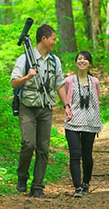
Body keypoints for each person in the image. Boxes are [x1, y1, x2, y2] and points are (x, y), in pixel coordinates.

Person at [11, 24, 71, 198]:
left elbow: (59, 84)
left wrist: (66, 105)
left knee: (43, 148)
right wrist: (27, 77)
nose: (55, 42)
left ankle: (37, 186)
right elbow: (14, 82)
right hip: (27, 107)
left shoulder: (54, 60)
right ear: (44, 39)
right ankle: (22, 176)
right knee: (28, 144)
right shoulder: (25, 58)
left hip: (45, 108)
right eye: (53, 38)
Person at [63, 51, 102, 198]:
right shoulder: (69, 81)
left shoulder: (95, 82)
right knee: (75, 154)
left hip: (90, 122)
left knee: (87, 154)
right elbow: (66, 99)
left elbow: (96, 102)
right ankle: (77, 186)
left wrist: (98, 121)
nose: (82, 61)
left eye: (85, 59)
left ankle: (86, 182)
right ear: (76, 62)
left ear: (90, 63)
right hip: (72, 122)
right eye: (79, 59)